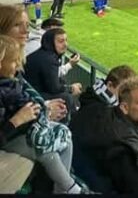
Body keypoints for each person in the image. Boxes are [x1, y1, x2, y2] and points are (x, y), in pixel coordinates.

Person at [0, 36, 85, 194]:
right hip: (11, 137)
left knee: (63, 134)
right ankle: (72, 188)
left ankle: (63, 190)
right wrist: (17, 120)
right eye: (14, 61)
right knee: (45, 149)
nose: (18, 66)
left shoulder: (10, 81)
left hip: (23, 131)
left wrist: (39, 111)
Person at [70, 65, 137, 192]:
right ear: (110, 85)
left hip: (80, 165)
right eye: (123, 92)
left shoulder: (93, 100)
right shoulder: (103, 113)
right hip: (89, 175)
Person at [0, 4, 68, 125]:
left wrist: (45, 107)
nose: (25, 31)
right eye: (17, 25)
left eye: (27, 25)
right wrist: (41, 114)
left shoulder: (16, 64)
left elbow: (25, 94)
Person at [23, 28, 82, 116]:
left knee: (62, 83)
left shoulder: (44, 54)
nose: (65, 44)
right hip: (31, 96)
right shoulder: (49, 59)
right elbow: (54, 88)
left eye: (66, 40)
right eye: (61, 41)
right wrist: (71, 89)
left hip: (29, 91)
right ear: (50, 43)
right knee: (66, 97)